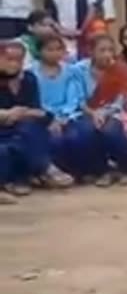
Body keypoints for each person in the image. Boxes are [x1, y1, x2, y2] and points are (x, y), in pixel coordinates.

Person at [0, 41, 70, 198]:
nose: (14, 64)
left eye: (18, 60)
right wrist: (7, 114)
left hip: (22, 126)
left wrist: (20, 113)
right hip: (3, 129)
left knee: (29, 129)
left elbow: (37, 110)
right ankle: (43, 170)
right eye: (9, 59)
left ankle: (27, 177)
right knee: (20, 138)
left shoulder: (29, 79)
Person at [69, 34, 127, 187]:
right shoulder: (78, 70)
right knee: (86, 130)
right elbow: (78, 99)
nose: (107, 54)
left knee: (111, 130)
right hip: (86, 111)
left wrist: (105, 113)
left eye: (111, 50)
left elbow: (120, 99)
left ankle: (126, 168)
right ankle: (102, 171)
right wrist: (93, 113)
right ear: (91, 51)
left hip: (112, 111)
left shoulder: (120, 69)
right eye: (102, 50)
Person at [31, 35, 78, 187]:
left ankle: (75, 172)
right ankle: (45, 174)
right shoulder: (31, 72)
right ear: (39, 51)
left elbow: (73, 97)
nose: (55, 53)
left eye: (59, 49)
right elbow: (34, 100)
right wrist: (50, 118)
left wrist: (64, 116)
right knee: (52, 138)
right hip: (42, 116)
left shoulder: (70, 71)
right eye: (49, 49)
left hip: (67, 115)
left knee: (75, 136)